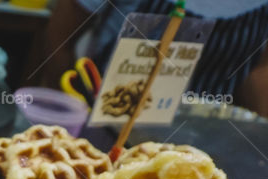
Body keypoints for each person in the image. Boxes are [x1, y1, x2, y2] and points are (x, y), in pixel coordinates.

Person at [43, 0, 268, 116]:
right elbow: (60, 37)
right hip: (107, 124)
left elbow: (260, 70)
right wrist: (61, 112)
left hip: (209, 137)